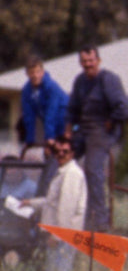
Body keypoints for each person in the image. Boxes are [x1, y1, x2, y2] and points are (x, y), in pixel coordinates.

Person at [66, 44, 128, 231]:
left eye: (91, 60)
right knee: (58, 160)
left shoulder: (108, 80)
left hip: (101, 131)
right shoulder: (80, 81)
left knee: (93, 169)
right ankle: (65, 211)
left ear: (98, 61)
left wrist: (111, 121)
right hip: (82, 130)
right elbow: (72, 109)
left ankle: (100, 220)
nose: (88, 65)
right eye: (84, 61)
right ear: (80, 63)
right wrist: (67, 131)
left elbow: (123, 108)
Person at [25, 135, 86, 271]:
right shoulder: (62, 172)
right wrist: (30, 203)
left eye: (65, 151)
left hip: (65, 235)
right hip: (61, 233)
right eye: (57, 151)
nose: (60, 154)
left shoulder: (71, 174)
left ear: (72, 154)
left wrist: (57, 236)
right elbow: (53, 202)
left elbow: (66, 208)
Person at [18, 55, 68, 193]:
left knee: (59, 157)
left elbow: (52, 113)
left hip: (65, 123)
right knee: (49, 162)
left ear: (43, 71)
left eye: (37, 71)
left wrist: (50, 137)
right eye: (31, 72)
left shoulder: (52, 87)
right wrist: (30, 139)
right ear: (27, 73)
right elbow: (29, 116)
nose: (35, 75)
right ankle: (46, 192)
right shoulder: (27, 91)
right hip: (51, 126)